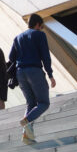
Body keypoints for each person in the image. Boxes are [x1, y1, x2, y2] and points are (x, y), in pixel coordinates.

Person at [8, 13, 56, 143]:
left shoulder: (18, 37)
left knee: (31, 104)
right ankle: (27, 120)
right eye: (41, 27)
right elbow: (45, 56)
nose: (41, 29)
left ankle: (27, 137)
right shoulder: (39, 35)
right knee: (44, 103)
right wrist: (50, 74)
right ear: (37, 25)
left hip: (20, 73)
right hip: (34, 71)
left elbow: (11, 57)